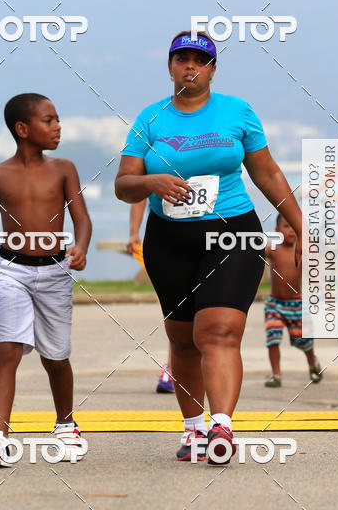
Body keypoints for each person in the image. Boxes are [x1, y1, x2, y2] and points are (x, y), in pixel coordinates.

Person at [115, 31, 303, 465]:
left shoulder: (238, 112)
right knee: (182, 341)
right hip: (169, 241)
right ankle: (194, 430)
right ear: (170, 67)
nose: (189, 67)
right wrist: (151, 182)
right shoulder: (150, 118)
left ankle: (222, 424)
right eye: (181, 59)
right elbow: (123, 186)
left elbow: (268, 173)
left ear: (213, 69)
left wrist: (301, 227)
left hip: (232, 233)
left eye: (199, 60)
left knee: (217, 330)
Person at [0, 94, 92, 466]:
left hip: (56, 271)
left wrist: (81, 247)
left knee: (56, 358)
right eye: (49, 120)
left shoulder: (64, 169)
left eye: (57, 119)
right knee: (6, 350)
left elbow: (82, 220)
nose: (58, 127)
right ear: (23, 129)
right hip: (12, 271)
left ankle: (66, 426)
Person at [264, 214, 322, 387]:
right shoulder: (272, 249)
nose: (290, 230)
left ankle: (312, 363)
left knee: (304, 341)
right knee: (272, 338)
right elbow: (254, 257)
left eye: (293, 227)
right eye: (286, 226)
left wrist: (321, 288)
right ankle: (276, 375)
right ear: (277, 231)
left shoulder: (301, 251)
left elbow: (313, 274)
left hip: (297, 304)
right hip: (275, 303)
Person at [127, 199, 174, 393]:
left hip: (208, 237)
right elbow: (138, 194)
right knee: (177, 312)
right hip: (168, 241)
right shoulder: (156, 168)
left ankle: (180, 368)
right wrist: (133, 232)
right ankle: (172, 369)